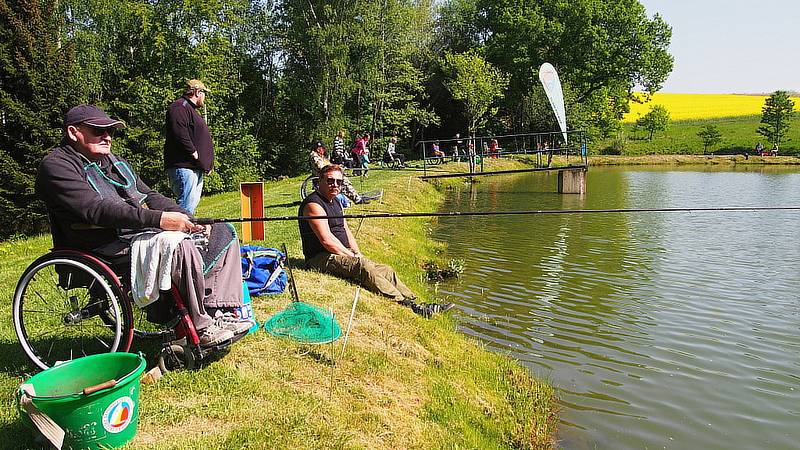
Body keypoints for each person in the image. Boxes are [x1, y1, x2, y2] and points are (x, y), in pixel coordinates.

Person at [37, 104, 250, 346]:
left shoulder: (114, 161)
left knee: (223, 232)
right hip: (100, 244)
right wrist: (160, 220)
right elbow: (97, 210)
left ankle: (217, 312)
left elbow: (148, 195)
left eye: (111, 132)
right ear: (73, 132)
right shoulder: (55, 166)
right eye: (98, 130)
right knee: (178, 245)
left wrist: (185, 217)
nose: (107, 136)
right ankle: (200, 328)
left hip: (134, 233)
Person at [298, 164, 454, 317]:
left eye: (339, 182)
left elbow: (345, 230)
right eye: (330, 181)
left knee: (386, 269)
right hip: (320, 257)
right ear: (320, 181)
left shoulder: (336, 201)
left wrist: (357, 252)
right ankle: (406, 304)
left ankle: (417, 301)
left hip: (339, 253)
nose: (335, 185)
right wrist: (352, 257)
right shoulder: (314, 204)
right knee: (363, 266)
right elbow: (327, 240)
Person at [164, 79, 214, 213]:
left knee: (189, 207)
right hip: (184, 166)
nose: (204, 97)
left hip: (194, 167)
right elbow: (179, 132)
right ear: (198, 92)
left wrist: (206, 164)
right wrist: (193, 152)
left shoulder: (189, 109)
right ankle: (178, 232)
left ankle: (186, 232)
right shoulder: (179, 107)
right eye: (204, 93)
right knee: (185, 208)